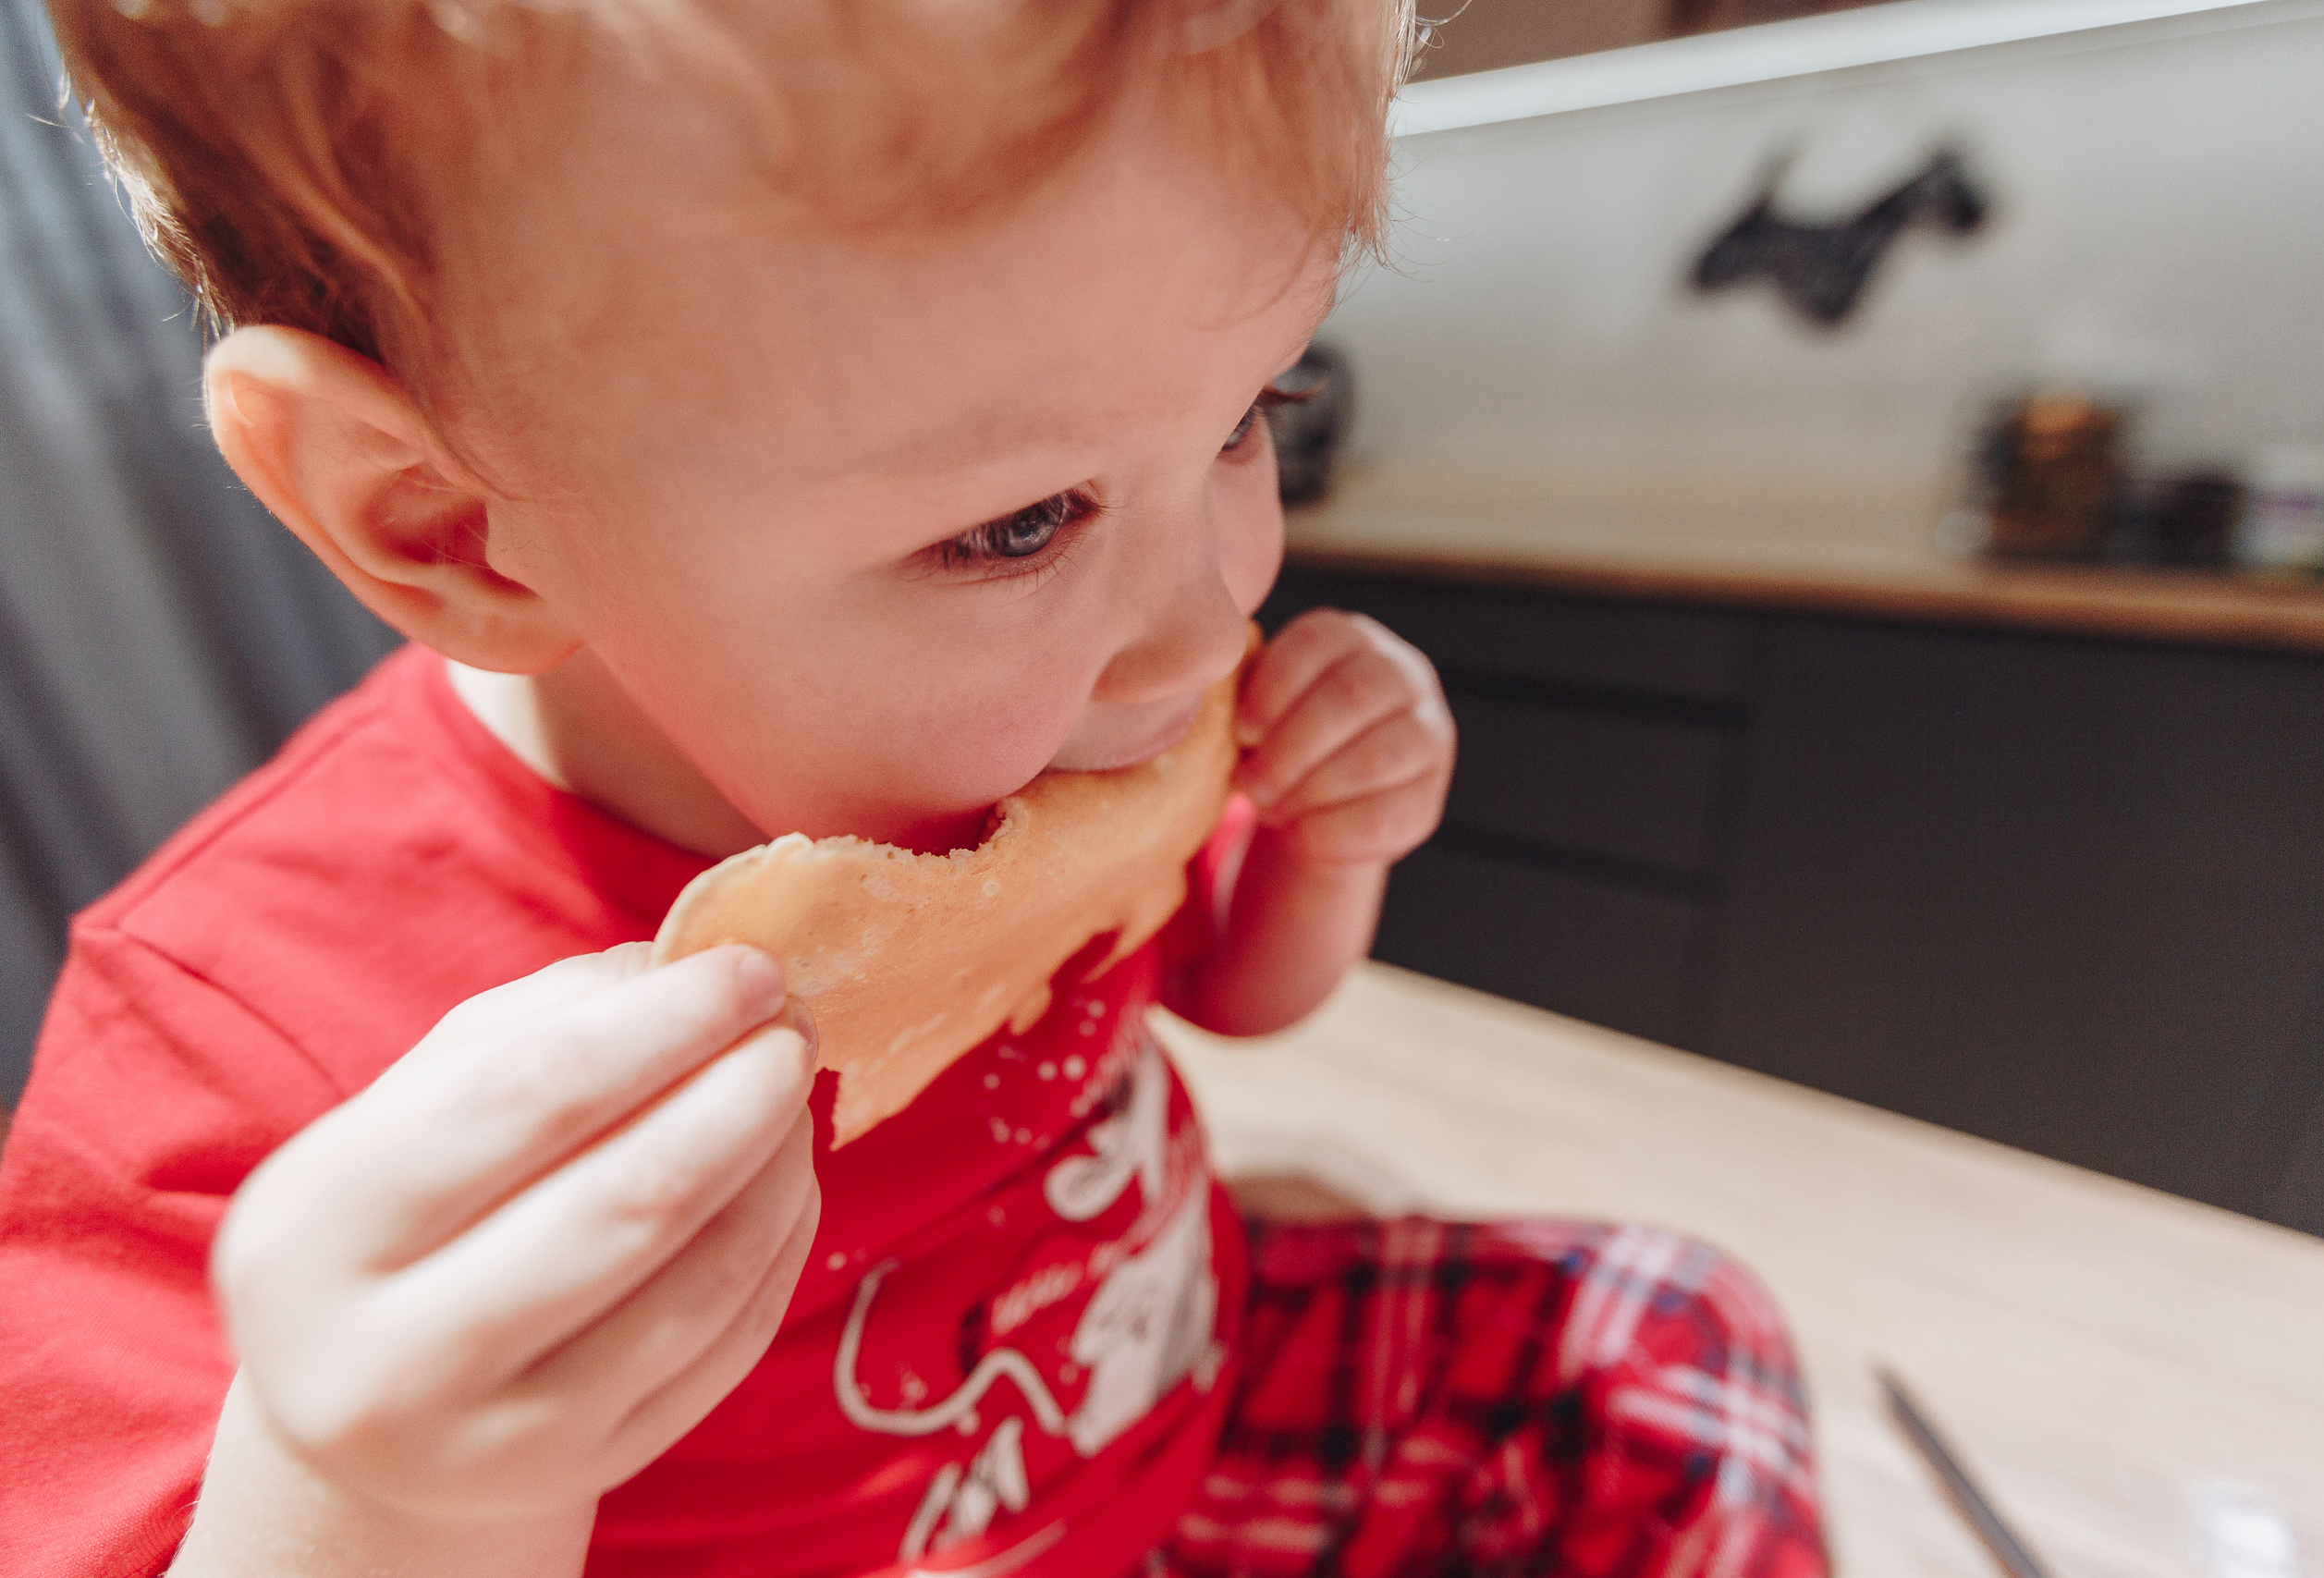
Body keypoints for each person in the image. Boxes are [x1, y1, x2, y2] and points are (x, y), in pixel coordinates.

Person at [0, 2, 1827, 1574]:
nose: (1203, 625)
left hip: (1186, 1416)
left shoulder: (1076, 706)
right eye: (1018, 523)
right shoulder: (229, 1042)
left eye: (1251, 414)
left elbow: (1229, 987)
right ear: (448, 520)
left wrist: (1330, 842)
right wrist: (362, 1481)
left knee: (1667, 1338)